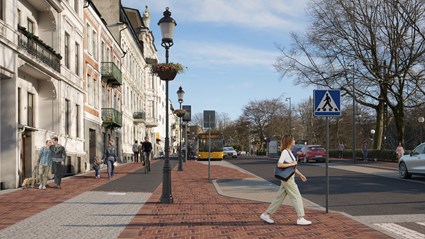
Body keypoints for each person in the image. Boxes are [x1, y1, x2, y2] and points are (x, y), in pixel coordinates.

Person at [260, 135, 312, 225]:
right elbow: (280, 164)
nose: (294, 141)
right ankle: (300, 218)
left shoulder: (289, 151)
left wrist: (300, 174)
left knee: (279, 198)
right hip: (288, 180)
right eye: (293, 139)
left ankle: (266, 214)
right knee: (297, 197)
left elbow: (292, 167)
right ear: (289, 141)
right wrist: (292, 163)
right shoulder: (285, 152)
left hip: (288, 178)